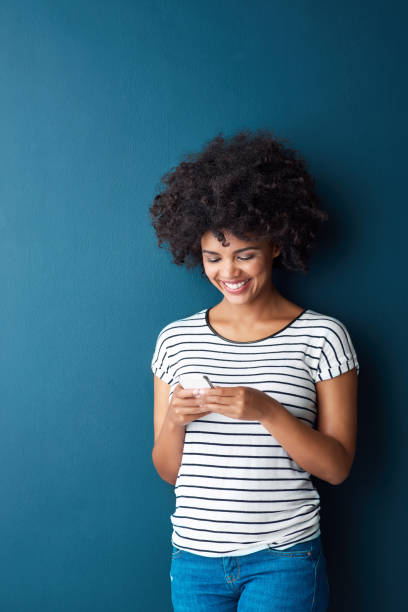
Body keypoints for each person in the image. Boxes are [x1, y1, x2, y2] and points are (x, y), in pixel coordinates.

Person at [149, 129, 359, 611]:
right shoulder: (175, 340)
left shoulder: (323, 336)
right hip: (194, 562)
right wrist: (177, 421)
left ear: (276, 246)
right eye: (213, 257)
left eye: (244, 254)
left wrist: (268, 411)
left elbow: (337, 466)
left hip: (283, 559)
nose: (230, 272)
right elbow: (166, 470)